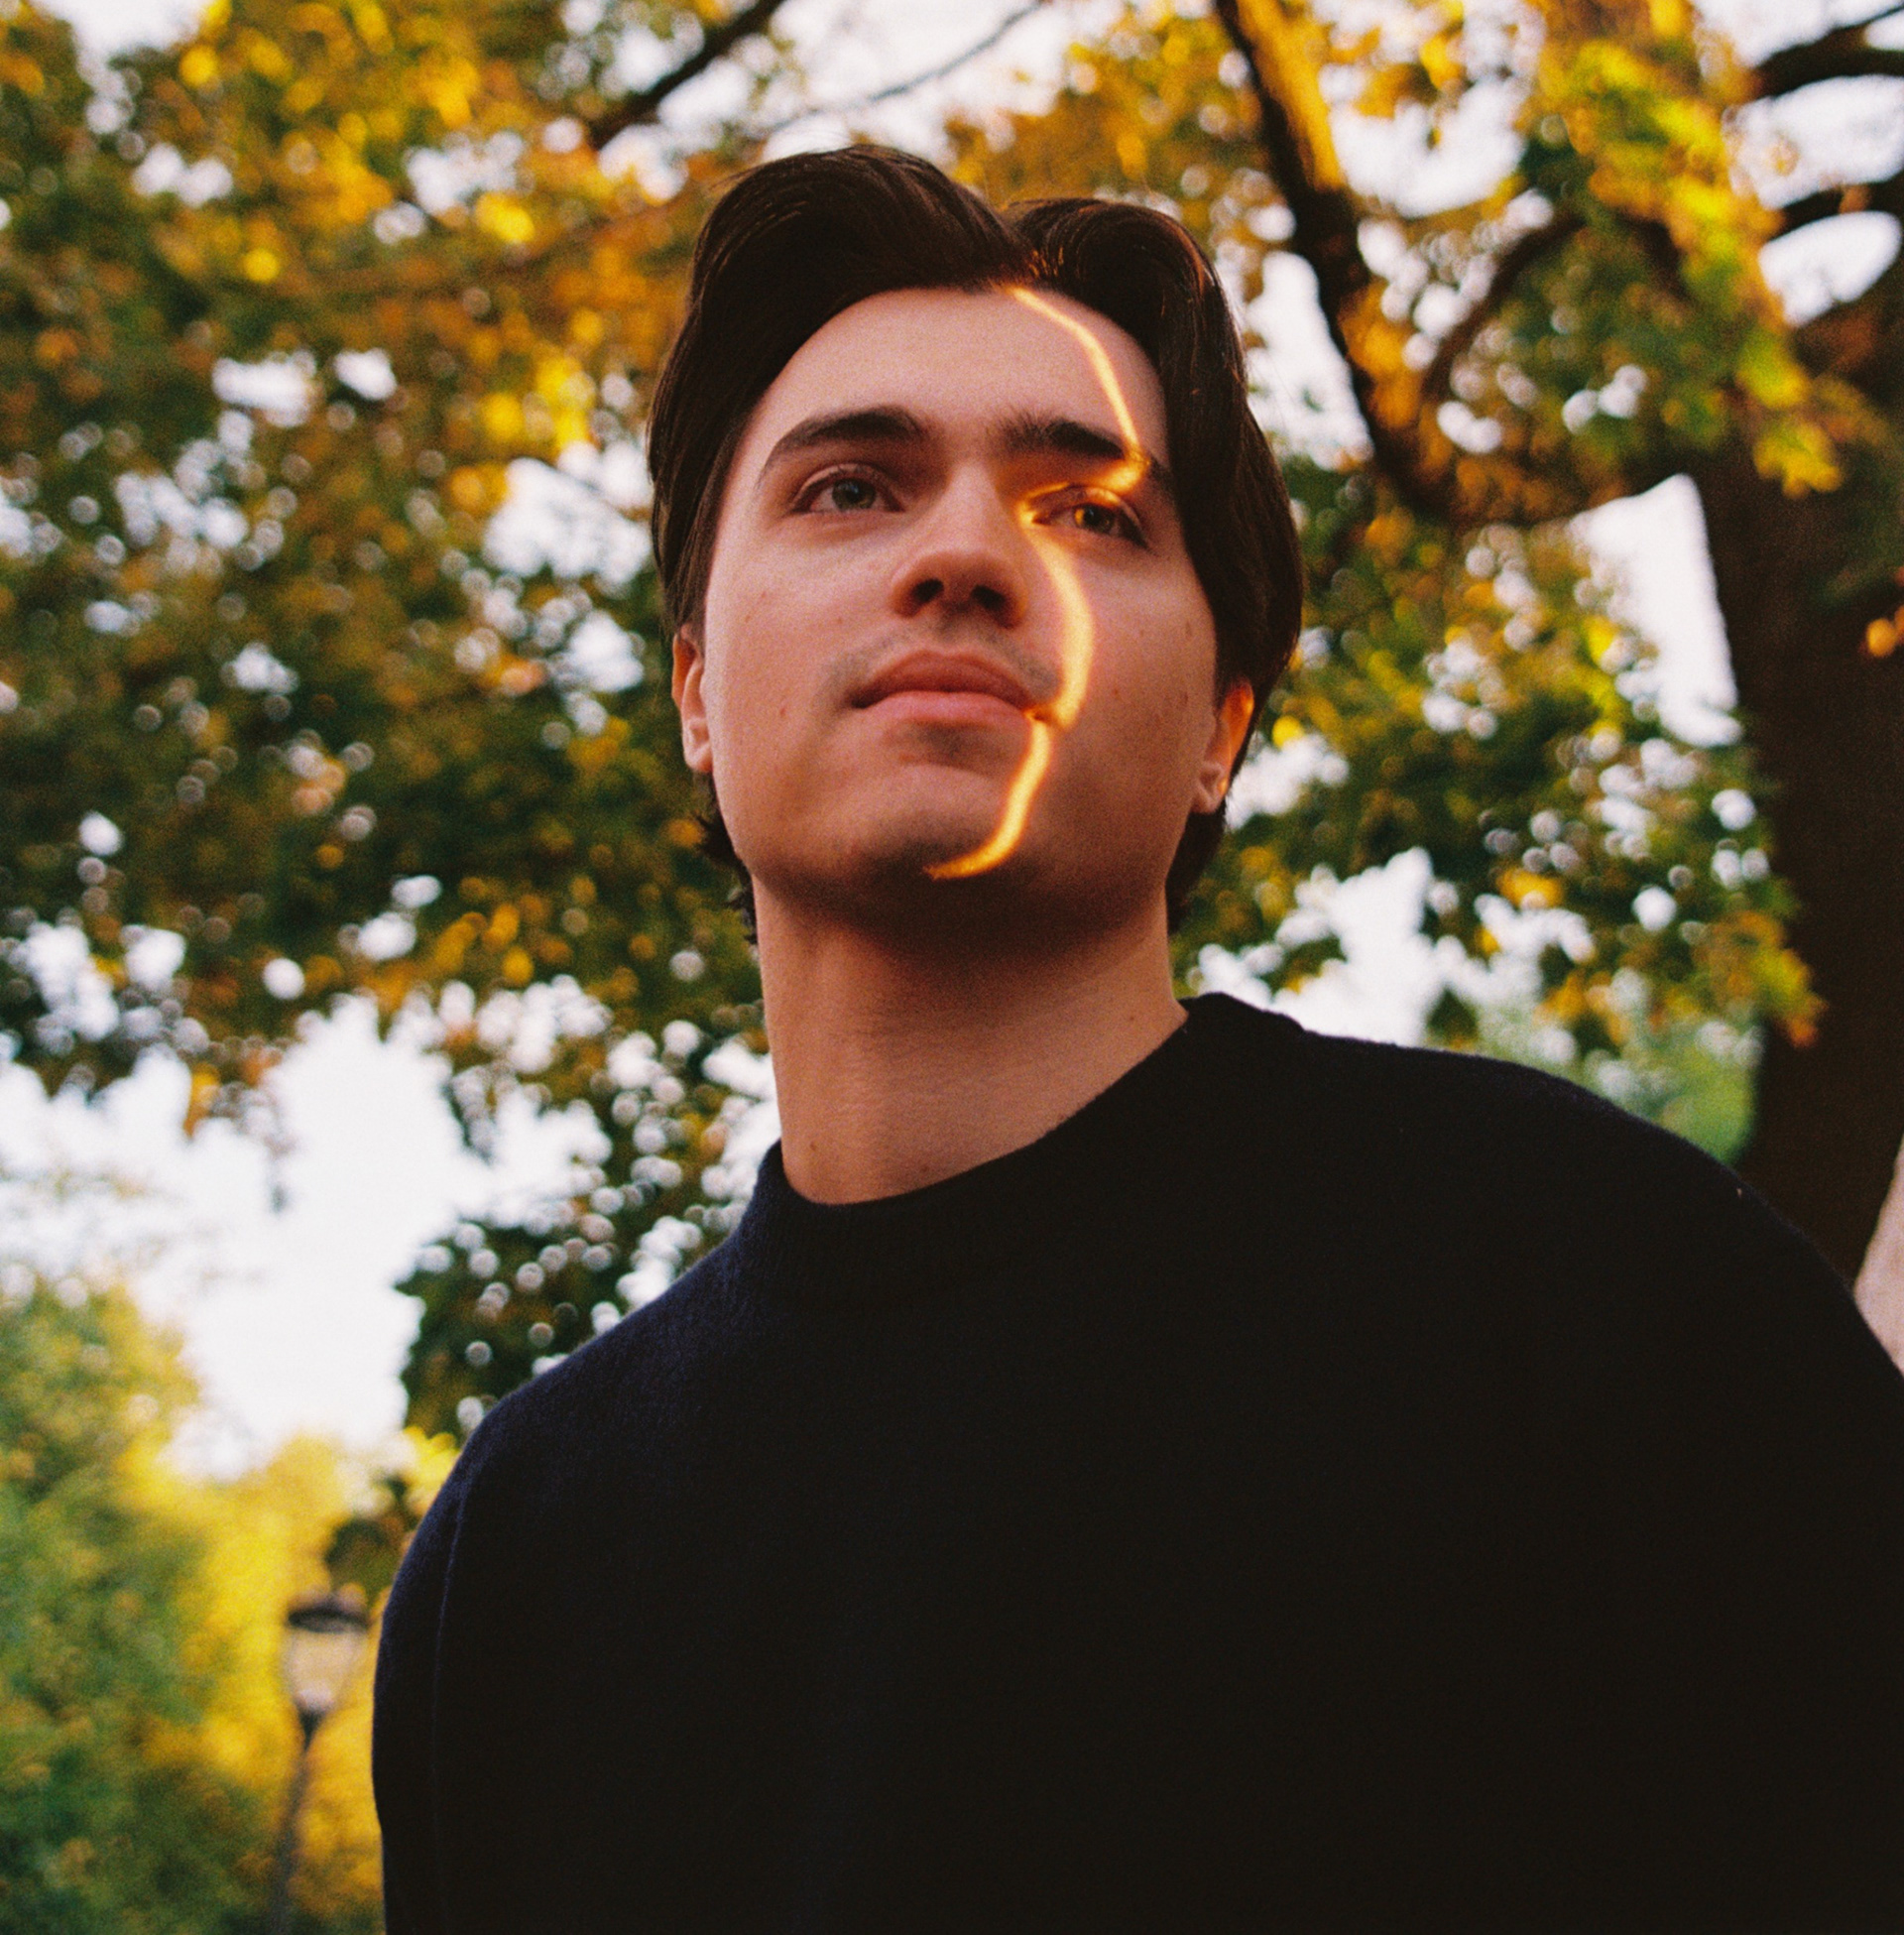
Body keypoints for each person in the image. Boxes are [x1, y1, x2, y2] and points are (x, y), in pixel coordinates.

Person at [373, 149, 1904, 1935]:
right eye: (851, 488)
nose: (964, 554)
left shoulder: (1603, 1295)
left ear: (1221, 728)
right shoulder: (519, 1558)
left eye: (1095, 513)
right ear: (699, 690)